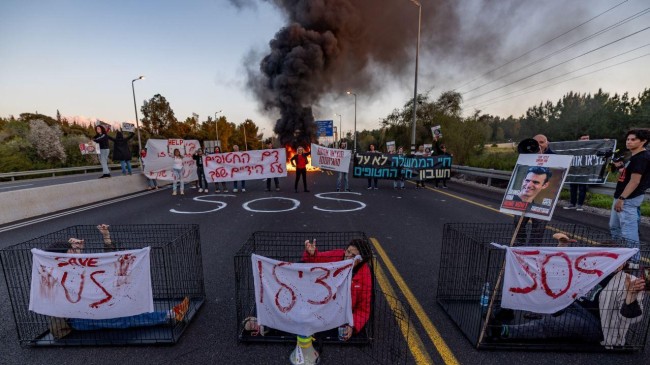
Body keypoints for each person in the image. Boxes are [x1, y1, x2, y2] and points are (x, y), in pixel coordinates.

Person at [44, 224, 190, 339]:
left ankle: (167, 315)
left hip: (88, 311)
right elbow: (75, 283)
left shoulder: (68, 269)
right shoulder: (55, 277)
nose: (74, 254)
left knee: (119, 308)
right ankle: (169, 316)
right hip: (76, 320)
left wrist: (105, 238)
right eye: (71, 253)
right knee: (120, 319)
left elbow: (105, 264)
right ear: (60, 258)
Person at [490, 261, 645, 348]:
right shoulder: (594, 270)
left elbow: (631, 318)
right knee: (542, 295)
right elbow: (558, 269)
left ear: (623, 263)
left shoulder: (627, 281)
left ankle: (505, 331)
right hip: (573, 305)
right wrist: (561, 246)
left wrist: (630, 294)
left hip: (592, 323)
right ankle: (507, 311)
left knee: (551, 324)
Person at [302, 238, 373, 341]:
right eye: (348, 251)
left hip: (343, 313)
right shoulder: (338, 255)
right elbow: (317, 260)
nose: (347, 256)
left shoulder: (364, 275)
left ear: (361, 259)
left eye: (353, 256)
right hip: (325, 304)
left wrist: (353, 325)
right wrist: (311, 254)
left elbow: (363, 309)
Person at [609, 129, 650, 265]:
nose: (629, 142)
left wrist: (622, 199)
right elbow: (627, 177)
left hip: (628, 199)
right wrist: (620, 167)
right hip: (621, 196)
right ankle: (620, 254)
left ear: (643, 141)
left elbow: (635, 181)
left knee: (628, 232)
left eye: (633, 139)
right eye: (628, 139)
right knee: (614, 226)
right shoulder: (634, 156)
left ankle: (633, 261)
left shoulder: (642, 157)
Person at [564, 134, 590, 211]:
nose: (586, 140)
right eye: (584, 138)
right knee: (573, 188)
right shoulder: (575, 147)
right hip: (574, 171)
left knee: (582, 189)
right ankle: (572, 203)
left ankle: (580, 205)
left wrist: (606, 142)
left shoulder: (592, 147)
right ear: (579, 139)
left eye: (587, 138)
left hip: (584, 172)